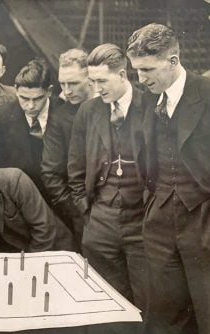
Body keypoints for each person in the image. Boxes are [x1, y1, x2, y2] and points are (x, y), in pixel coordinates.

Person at [127, 23, 210, 334]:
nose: (141, 78)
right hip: (160, 225)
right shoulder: (150, 101)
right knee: (165, 321)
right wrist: (152, 207)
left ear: (174, 61)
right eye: (136, 69)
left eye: (147, 69)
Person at [68, 43, 147, 314]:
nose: (96, 87)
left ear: (123, 75)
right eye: (92, 81)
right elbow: (75, 169)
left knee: (149, 302)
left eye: (102, 81)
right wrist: (86, 212)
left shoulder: (150, 107)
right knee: (107, 302)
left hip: (143, 223)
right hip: (100, 223)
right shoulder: (88, 112)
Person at [0, 58, 61, 192]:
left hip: (58, 196)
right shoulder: (1, 116)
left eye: (38, 99)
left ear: (49, 91)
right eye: (24, 98)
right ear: (16, 90)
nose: (31, 106)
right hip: (16, 194)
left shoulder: (66, 114)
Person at [40, 48, 94, 248]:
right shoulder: (60, 118)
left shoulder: (112, 107)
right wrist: (79, 210)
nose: (67, 90)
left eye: (73, 83)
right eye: (63, 83)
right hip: (85, 214)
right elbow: (50, 173)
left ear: (90, 78)